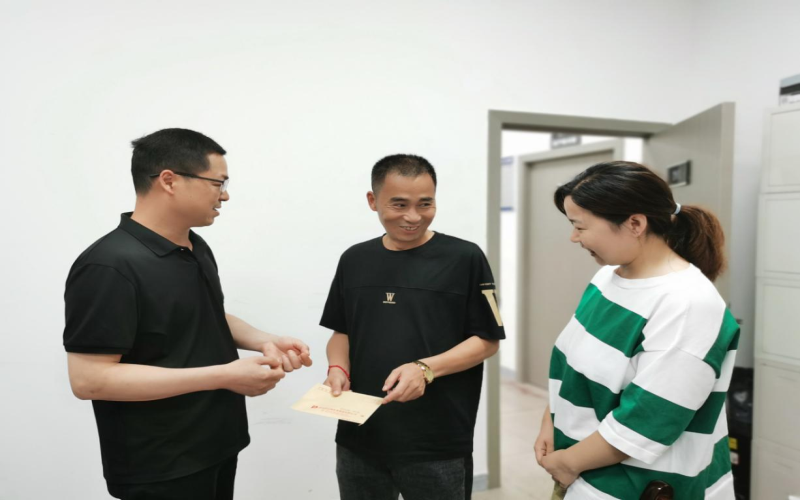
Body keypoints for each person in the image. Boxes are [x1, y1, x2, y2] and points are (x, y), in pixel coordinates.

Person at [63, 128, 312, 500]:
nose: (224, 195)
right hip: (160, 465)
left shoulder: (195, 246)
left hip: (216, 445)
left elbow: (202, 316)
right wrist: (225, 376)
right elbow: (89, 380)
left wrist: (265, 340)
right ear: (169, 181)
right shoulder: (109, 266)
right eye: (218, 183)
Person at [535, 161, 738, 499]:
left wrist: (568, 463)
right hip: (585, 469)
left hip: (639, 484)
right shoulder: (608, 278)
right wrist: (551, 422)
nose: (574, 237)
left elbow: (649, 418)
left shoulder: (688, 304)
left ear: (635, 224)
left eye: (580, 226)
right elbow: (573, 366)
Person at [319, 154, 505, 500]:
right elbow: (341, 332)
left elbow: (487, 340)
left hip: (436, 441)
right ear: (373, 200)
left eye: (425, 204)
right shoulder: (355, 259)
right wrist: (337, 368)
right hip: (359, 432)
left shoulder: (465, 258)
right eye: (399, 204)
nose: (413, 217)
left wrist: (425, 369)